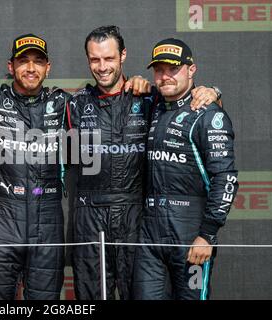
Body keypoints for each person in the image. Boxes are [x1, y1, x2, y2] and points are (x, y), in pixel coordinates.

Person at [0, 33, 150, 300]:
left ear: (48, 67)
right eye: (23, 61)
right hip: (4, 218)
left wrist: (136, 81)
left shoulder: (65, 103)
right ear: (11, 66)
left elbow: (107, 100)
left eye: (38, 62)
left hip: (49, 218)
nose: (30, 68)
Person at [67, 26, 221, 300]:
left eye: (109, 58)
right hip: (89, 217)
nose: (102, 67)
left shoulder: (150, 97)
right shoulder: (74, 104)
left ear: (123, 55)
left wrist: (212, 92)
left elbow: (190, 104)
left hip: (136, 218)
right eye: (95, 59)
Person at [132, 38, 238, 300]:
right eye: (159, 69)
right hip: (150, 234)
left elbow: (225, 179)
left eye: (173, 68)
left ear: (191, 70)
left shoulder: (208, 114)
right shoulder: (154, 104)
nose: (165, 76)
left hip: (191, 232)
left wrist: (207, 235)